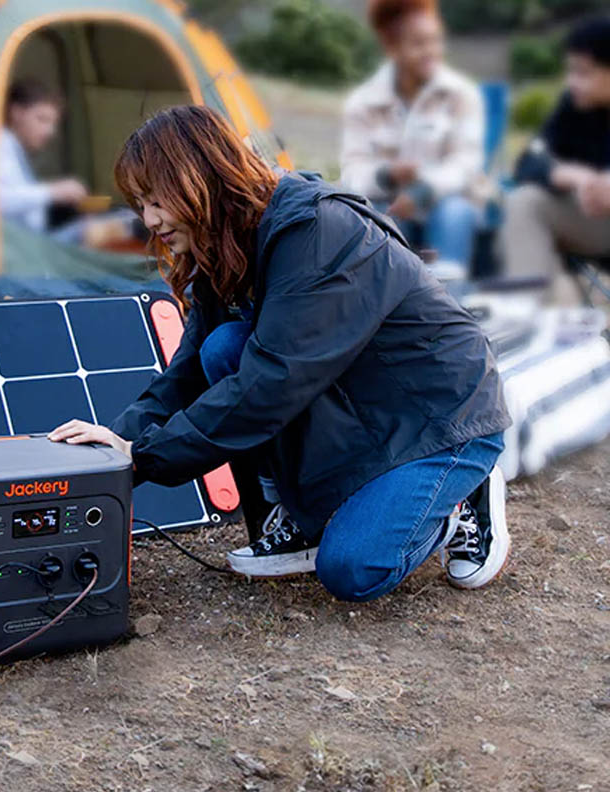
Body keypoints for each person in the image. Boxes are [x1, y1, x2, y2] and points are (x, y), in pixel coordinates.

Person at [49, 106, 512, 602]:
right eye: (139, 204)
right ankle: (308, 515)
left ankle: (465, 496)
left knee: (354, 570)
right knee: (223, 347)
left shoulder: (318, 232)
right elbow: (188, 374)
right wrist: (113, 445)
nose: (149, 220)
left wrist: (146, 458)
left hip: (439, 413)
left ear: (198, 178)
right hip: (358, 401)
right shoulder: (227, 238)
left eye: (155, 200)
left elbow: (274, 380)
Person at [341, 0, 485, 281]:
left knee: (453, 213)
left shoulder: (462, 94)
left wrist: (422, 191)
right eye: (419, 44)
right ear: (392, 48)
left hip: (448, 203)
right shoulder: (362, 103)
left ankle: (450, 304)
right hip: (390, 206)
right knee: (378, 225)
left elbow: (467, 164)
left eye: (435, 41)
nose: (431, 52)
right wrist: (387, 176)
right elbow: (352, 174)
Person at [503, 16, 610, 306]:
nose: (572, 82)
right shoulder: (573, 106)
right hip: (593, 220)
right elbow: (527, 164)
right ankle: (529, 321)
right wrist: (574, 176)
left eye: (584, 73)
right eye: (571, 71)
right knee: (525, 202)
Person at [0, 78, 89, 239]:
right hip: (22, 250)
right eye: (42, 119)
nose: (50, 131)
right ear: (16, 113)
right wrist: (53, 192)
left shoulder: (15, 148)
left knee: (117, 221)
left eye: (53, 123)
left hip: (36, 242)